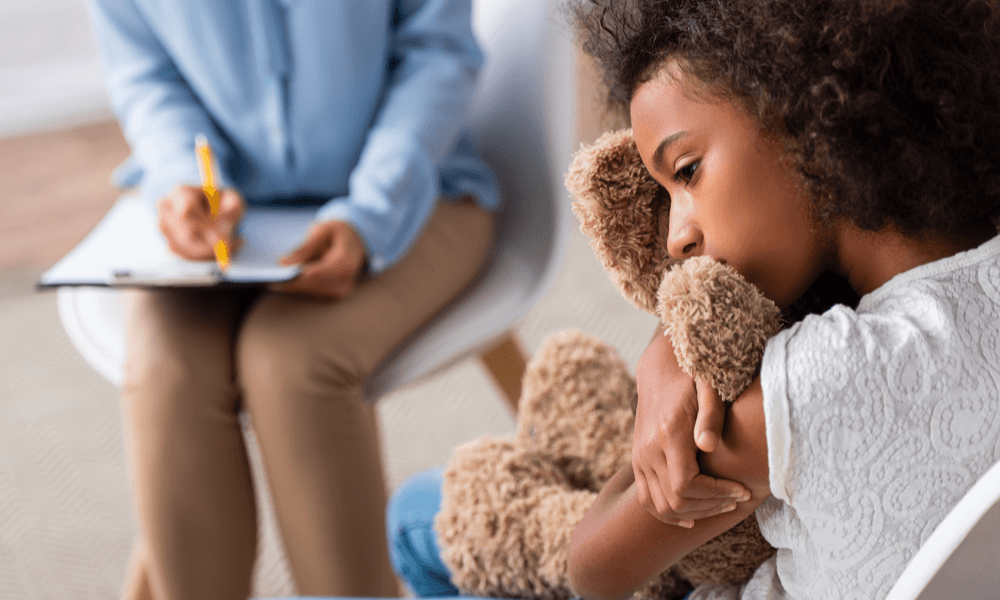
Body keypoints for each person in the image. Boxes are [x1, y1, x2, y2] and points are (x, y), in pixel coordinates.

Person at [388, 0, 1000, 598]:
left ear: (805, 114)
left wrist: (669, 356)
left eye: (685, 172)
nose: (677, 237)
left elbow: (593, 569)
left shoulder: (802, 389)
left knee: (417, 516)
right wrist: (668, 351)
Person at [85, 1, 499, 599]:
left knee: (290, 364)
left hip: (418, 193)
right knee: (166, 374)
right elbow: (148, 79)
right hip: (225, 226)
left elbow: (437, 55)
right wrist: (185, 181)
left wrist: (371, 215)